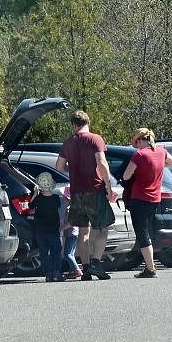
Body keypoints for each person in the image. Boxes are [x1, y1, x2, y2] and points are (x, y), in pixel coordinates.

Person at [55, 110, 116, 281]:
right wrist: (109, 187)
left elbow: (59, 167)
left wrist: (72, 169)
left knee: (83, 230)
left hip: (76, 192)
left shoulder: (67, 143)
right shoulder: (95, 139)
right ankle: (96, 264)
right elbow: (102, 163)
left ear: (74, 125)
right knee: (103, 229)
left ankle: (86, 267)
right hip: (94, 190)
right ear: (88, 122)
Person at [122, 128, 172, 278]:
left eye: (136, 142)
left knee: (142, 232)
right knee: (147, 230)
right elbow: (171, 162)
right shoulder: (161, 152)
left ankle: (150, 268)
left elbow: (126, 176)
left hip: (139, 198)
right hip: (155, 199)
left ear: (140, 140)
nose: (136, 146)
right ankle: (149, 265)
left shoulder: (139, 154)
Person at [29, 172, 64, 282]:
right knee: (56, 252)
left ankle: (48, 273)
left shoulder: (38, 198)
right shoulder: (56, 198)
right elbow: (58, 207)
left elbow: (30, 205)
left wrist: (35, 193)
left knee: (44, 252)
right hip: (54, 229)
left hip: (40, 230)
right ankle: (56, 273)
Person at [60, 186, 82, 279]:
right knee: (71, 253)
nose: (63, 198)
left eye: (64, 196)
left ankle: (77, 270)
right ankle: (72, 271)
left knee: (67, 254)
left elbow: (71, 222)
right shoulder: (75, 207)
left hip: (71, 234)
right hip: (74, 233)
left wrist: (61, 228)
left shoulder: (70, 209)